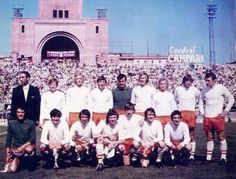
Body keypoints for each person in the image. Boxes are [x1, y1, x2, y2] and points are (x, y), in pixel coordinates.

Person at [199, 71, 234, 165]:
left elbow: (231, 98)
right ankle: (208, 158)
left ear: (214, 80)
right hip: (208, 117)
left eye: (208, 80)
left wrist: (226, 110)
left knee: (221, 137)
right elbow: (200, 100)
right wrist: (203, 113)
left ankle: (223, 157)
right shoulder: (204, 89)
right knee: (209, 138)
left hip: (218, 117)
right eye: (206, 80)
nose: (207, 82)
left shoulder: (221, 88)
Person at [174, 74, 200, 160]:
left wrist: (197, 109)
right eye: (186, 81)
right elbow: (174, 101)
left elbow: (201, 99)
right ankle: (181, 153)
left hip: (191, 113)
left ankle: (192, 155)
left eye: (190, 81)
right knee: (180, 134)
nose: (188, 82)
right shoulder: (178, 89)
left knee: (191, 134)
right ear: (183, 81)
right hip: (181, 113)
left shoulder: (195, 90)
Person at [4, 107, 36, 172]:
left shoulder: (31, 123)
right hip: (16, 149)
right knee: (13, 169)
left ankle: (29, 161)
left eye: (22, 112)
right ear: (16, 113)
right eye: (18, 112)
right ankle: (17, 159)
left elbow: (32, 139)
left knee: (29, 149)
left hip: (27, 147)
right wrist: (8, 155)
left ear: (25, 113)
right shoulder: (11, 123)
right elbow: (8, 140)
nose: (20, 114)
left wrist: (22, 148)